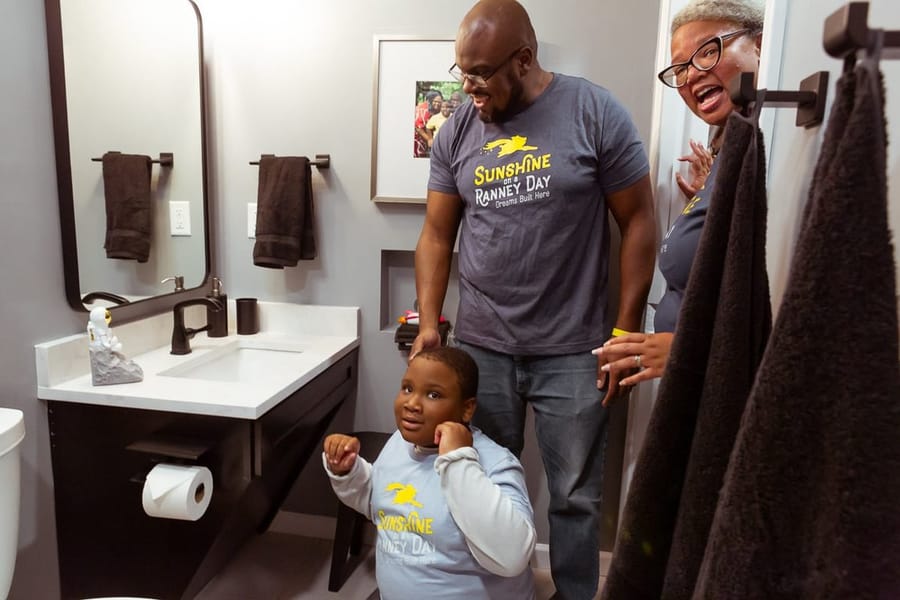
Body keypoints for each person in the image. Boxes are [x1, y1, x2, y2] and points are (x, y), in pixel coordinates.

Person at [410, 1, 657, 597]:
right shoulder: (459, 129)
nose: (467, 87)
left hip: (574, 350)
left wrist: (624, 333)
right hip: (482, 346)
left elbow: (640, 220)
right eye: (459, 71)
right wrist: (429, 320)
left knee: (574, 496)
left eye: (480, 74)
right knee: (479, 478)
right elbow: (437, 233)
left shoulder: (594, 112)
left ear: (524, 59)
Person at [595, 0, 764, 392]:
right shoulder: (734, 150)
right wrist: (711, 191)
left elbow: (767, 301)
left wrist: (686, 349)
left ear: (760, 45)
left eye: (708, 51)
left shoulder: (769, 138)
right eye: (681, 68)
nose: (691, 76)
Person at [322, 347, 536, 600]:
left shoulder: (495, 463)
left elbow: (513, 556)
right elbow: (378, 501)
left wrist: (458, 462)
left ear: (467, 409)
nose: (412, 403)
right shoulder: (397, 445)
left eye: (433, 394)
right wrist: (349, 471)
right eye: (407, 388)